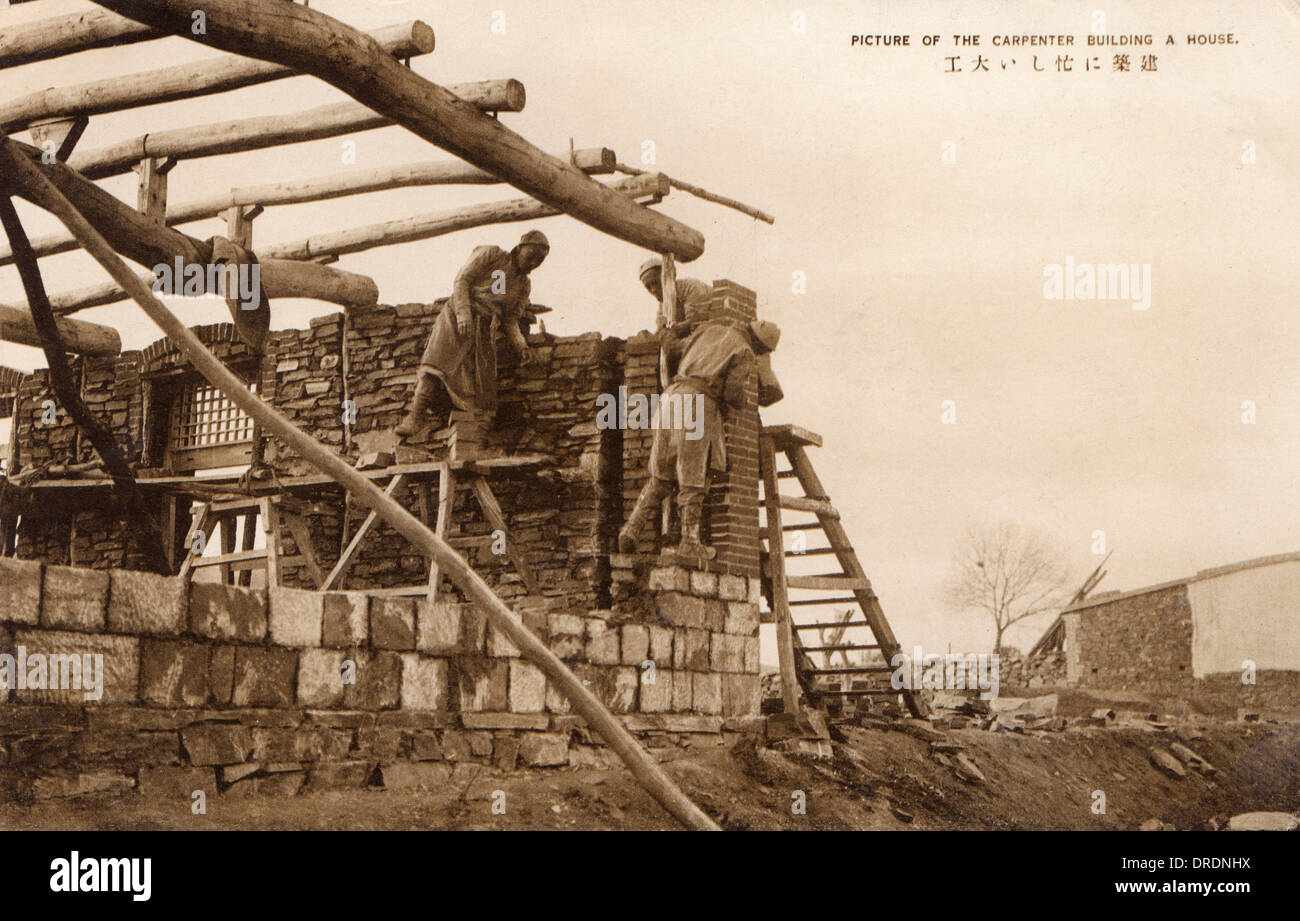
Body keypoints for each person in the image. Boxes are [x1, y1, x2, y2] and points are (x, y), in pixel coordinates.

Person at [618, 316, 783, 561]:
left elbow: (672, 347)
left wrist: (666, 331)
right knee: (693, 476)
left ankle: (631, 528)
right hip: (697, 405)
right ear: (761, 347)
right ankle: (690, 542)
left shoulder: (709, 328)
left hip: (670, 399)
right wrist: (745, 404)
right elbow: (732, 392)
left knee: (661, 475)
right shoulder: (744, 351)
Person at [396, 231, 549, 437]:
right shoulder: (492, 254)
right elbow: (462, 280)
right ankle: (416, 416)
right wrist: (463, 314)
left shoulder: (523, 285)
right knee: (437, 365)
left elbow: (511, 318)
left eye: (539, 260)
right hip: (457, 319)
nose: (533, 262)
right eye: (531, 255)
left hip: (485, 330)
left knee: (480, 389)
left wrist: (521, 346)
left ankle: (473, 440)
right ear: (520, 247)